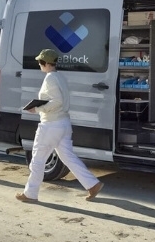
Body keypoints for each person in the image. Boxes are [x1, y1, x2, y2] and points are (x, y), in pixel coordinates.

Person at [16, 49, 104, 203]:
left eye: (39, 62)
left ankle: (30, 194)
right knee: (69, 158)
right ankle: (93, 185)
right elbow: (59, 101)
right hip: (64, 124)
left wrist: (37, 109)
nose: (38, 64)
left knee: (37, 159)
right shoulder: (60, 77)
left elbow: (56, 102)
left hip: (51, 124)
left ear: (45, 63)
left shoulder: (50, 78)